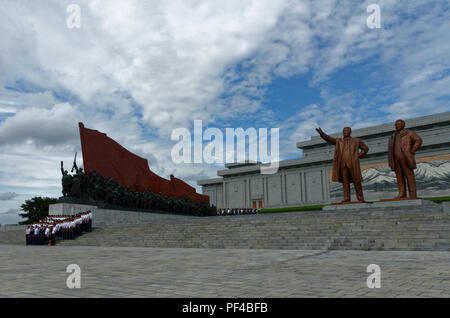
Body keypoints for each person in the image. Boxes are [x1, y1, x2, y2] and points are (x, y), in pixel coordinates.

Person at [316, 126, 369, 203]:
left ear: (350, 132)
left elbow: (365, 148)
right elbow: (330, 139)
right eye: (343, 130)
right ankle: (347, 198)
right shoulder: (339, 141)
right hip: (343, 165)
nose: (344, 132)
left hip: (353, 164)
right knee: (345, 182)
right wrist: (322, 134)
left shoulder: (356, 141)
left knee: (356, 181)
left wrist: (358, 156)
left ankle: (360, 198)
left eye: (346, 130)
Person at [387, 119, 423, 199]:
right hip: (395, 159)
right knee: (399, 177)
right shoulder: (393, 136)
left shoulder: (409, 133)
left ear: (403, 125)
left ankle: (412, 194)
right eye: (396, 124)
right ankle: (402, 193)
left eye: (399, 124)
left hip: (405, 157)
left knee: (409, 175)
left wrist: (412, 151)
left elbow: (418, 140)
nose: (397, 125)